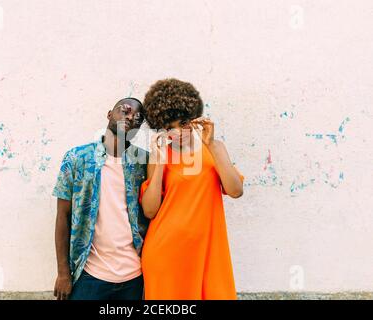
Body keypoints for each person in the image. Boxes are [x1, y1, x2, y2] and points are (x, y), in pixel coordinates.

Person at [139, 79, 244, 300]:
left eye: (183, 123)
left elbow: (235, 190)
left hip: (208, 252)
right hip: (166, 253)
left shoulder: (214, 149)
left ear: (194, 119)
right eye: (170, 127)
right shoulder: (159, 156)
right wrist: (159, 162)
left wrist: (212, 145)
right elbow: (150, 211)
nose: (178, 132)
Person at [52, 97, 149, 300]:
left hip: (135, 276)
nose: (130, 117)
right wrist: (63, 273)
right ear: (109, 114)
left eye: (137, 118)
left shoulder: (145, 161)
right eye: (125, 111)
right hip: (89, 275)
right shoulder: (77, 158)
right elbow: (63, 216)